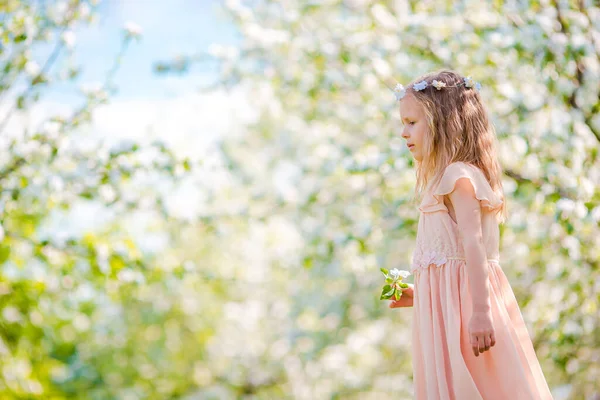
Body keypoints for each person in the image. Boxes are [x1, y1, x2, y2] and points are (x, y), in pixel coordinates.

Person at [388, 70, 553, 399]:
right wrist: (420, 294)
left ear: (442, 122)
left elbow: (473, 247)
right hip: (452, 319)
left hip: (470, 321)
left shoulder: (458, 177)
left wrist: (481, 313)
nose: (403, 133)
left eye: (411, 122)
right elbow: (455, 269)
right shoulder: (444, 181)